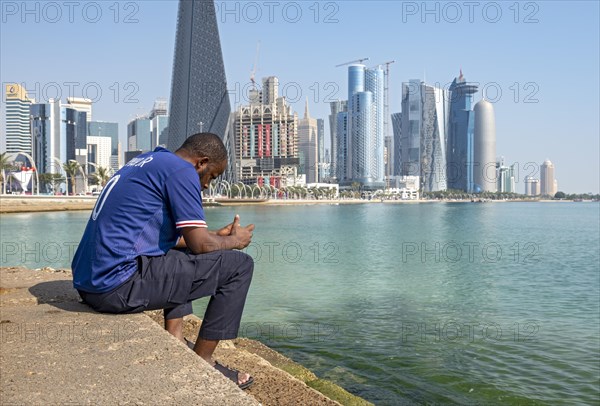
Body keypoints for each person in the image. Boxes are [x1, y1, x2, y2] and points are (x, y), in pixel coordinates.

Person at [72, 133, 255, 389]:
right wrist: (236, 241)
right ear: (201, 163)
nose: (207, 186)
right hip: (115, 288)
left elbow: (167, 239)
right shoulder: (183, 172)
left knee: (187, 256)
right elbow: (198, 244)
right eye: (212, 176)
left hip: (90, 283)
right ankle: (203, 362)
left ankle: (175, 337)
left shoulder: (150, 160)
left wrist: (214, 236)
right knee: (239, 266)